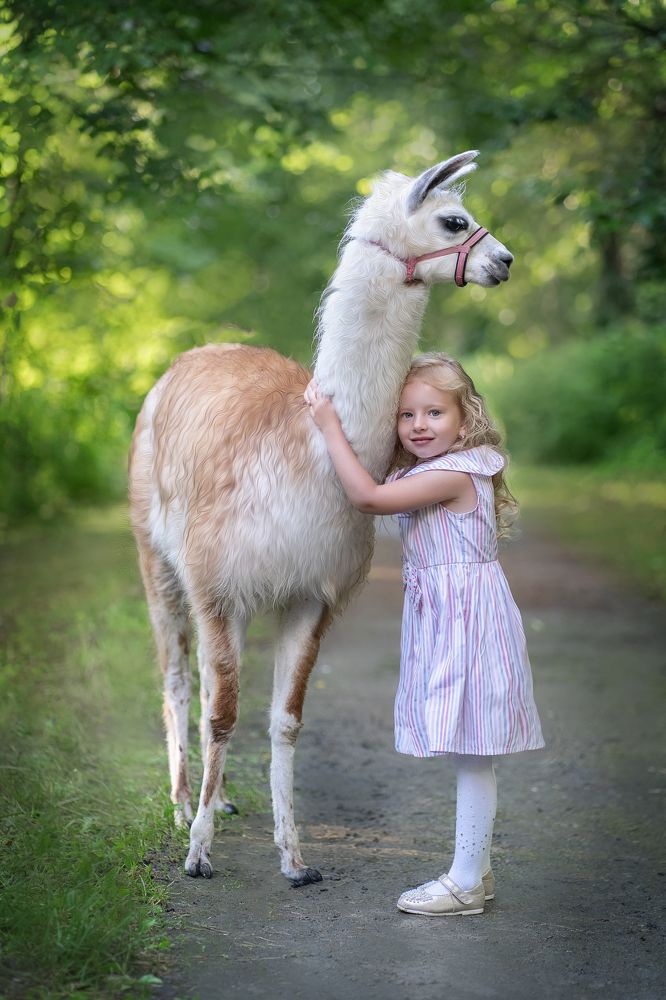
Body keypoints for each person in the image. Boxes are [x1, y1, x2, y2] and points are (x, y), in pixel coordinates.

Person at [304, 352, 544, 916]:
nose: (418, 425)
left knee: (472, 751)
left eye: (434, 412)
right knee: (469, 751)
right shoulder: (431, 470)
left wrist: (330, 425)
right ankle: (475, 870)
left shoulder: (454, 474)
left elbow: (367, 498)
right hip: (452, 619)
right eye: (406, 415)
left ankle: (465, 882)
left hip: (469, 623)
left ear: (465, 419)